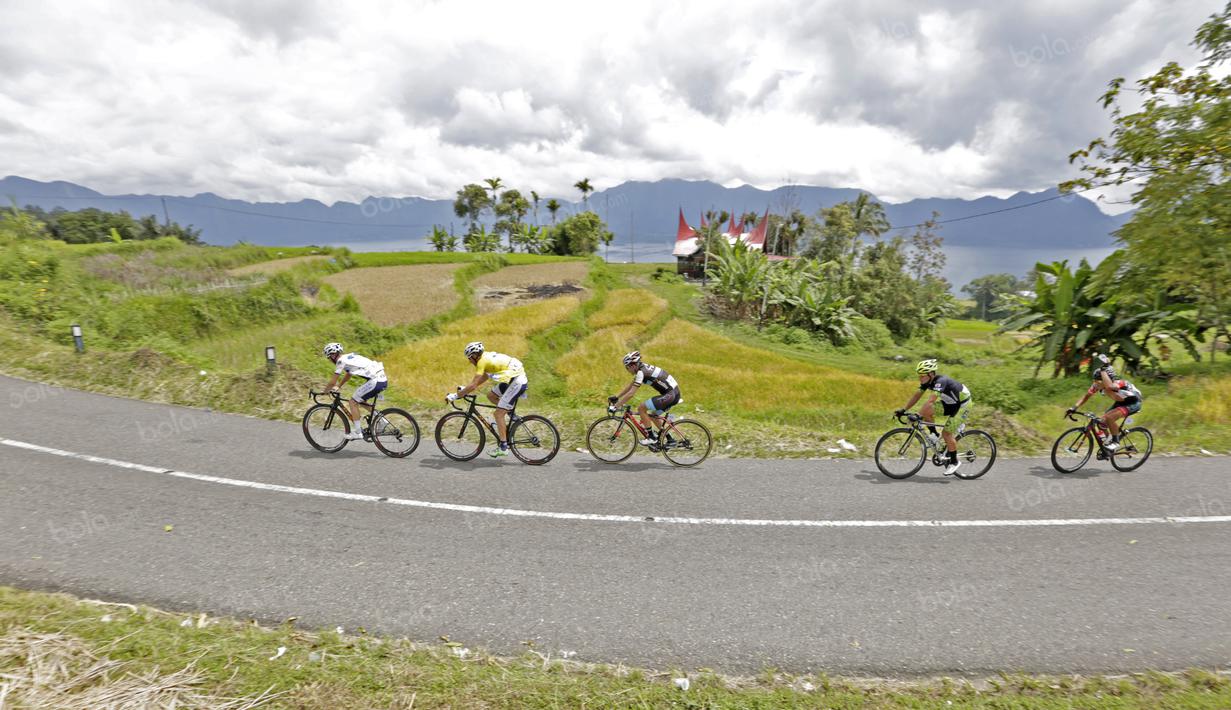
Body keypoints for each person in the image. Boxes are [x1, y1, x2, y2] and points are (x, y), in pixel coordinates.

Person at [447, 341, 527, 458]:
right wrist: (465, 390)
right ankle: (510, 412)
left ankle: (504, 447)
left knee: (498, 414)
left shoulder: (481, 362)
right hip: (513, 377)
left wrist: (456, 395)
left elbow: (474, 385)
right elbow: (484, 377)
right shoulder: (485, 357)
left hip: (516, 381)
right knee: (491, 396)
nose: (469, 361)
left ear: (475, 355)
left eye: (469, 358)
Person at [895, 359, 971, 476]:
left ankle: (954, 462)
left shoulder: (940, 381)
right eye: (919, 376)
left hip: (962, 405)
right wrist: (904, 410)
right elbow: (917, 395)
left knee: (946, 434)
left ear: (931, 374)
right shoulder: (927, 382)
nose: (920, 378)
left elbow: (931, 400)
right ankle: (934, 435)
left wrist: (918, 415)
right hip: (951, 404)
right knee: (927, 411)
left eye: (922, 376)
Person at [1068, 355, 1142, 452]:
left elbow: (1110, 386)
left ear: (1108, 379)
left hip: (1133, 402)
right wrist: (1074, 408)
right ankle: (1109, 443)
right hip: (1121, 402)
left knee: (1110, 418)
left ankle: (1115, 443)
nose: (1095, 383)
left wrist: (1103, 370)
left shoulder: (1118, 383)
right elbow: (1086, 397)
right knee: (1101, 422)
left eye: (1099, 380)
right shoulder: (1097, 386)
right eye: (1095, 380)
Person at [609, 351, 682, 447]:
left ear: (633, 365)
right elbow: (630, 386)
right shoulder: (642, 368)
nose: (627, 370)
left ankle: (651, 438)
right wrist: (617, 397)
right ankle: (670, 439)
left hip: (670, 395)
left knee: (641, 408)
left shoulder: (641, 372)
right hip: (673, 394)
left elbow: (631, 393)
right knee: (653, 416)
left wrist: (616, 406)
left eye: (627, 367)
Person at [322, 342, 387, 441]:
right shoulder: (348, 357)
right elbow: (349, 374)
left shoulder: (340, 361)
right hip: (381, 379)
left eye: (329, 357)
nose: (330, 360)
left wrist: (324, 392)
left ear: (333, 355)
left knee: (352, 402)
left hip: (375, 380)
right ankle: (382, 420)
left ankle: (358, 432)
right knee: (359, 400)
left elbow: (332, 382)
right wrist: (339, 386)